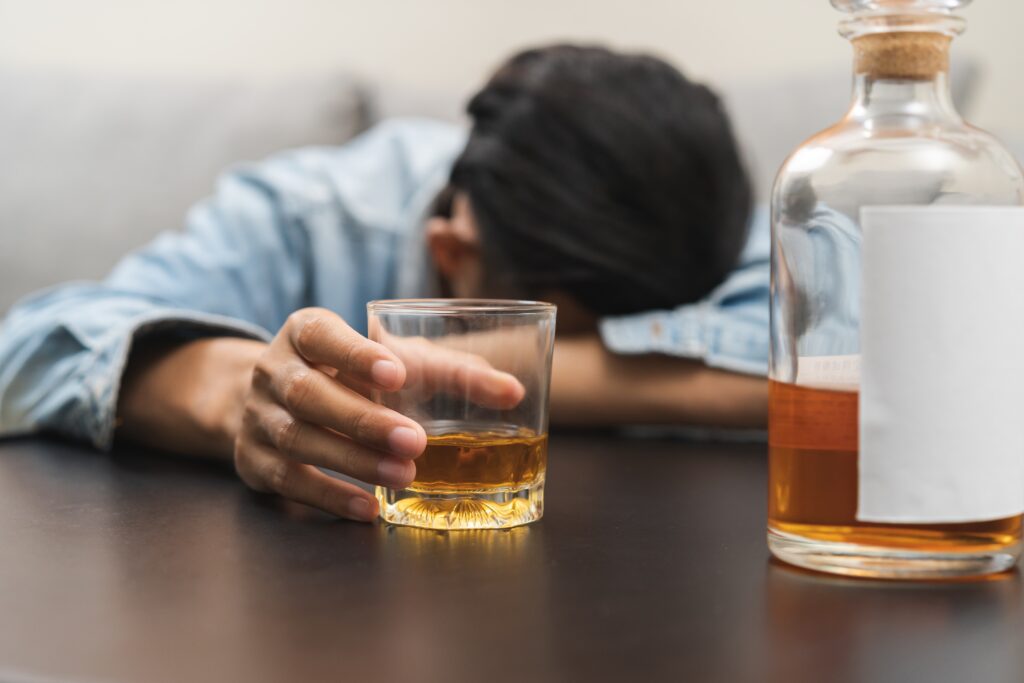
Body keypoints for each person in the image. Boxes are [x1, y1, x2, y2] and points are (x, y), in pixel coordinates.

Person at [0, 44, 769, 521]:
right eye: (563, 331)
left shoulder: (687, 205)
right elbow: (30, 346)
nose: (554, 366)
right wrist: (236, 389)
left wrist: (485, 372)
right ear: (449, 249)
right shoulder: (313, 213)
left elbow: (849, 362)